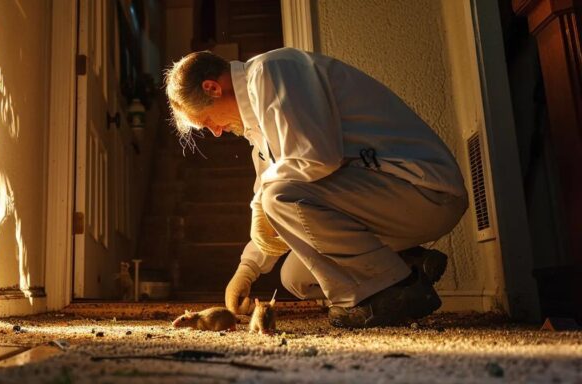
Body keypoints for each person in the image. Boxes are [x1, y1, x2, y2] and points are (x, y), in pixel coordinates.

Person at [164, 48, 468, 328]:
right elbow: (277, 209)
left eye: (207, 122)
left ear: (212, 88)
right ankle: (410, 269)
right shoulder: (257, 131)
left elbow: (315, 159)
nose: (216, 133)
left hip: (423, 189)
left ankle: (391, 293)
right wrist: (248, 269)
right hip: (387, 202)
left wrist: (260, 200)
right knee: (295, 277)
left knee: (278, 195)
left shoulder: (272, 71)